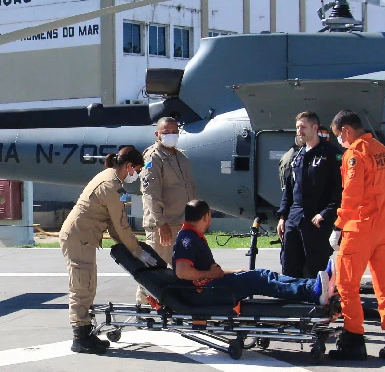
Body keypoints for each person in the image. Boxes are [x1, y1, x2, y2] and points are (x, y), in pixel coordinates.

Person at [328, 110, 385, 361]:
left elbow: (351, 194)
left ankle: (353, 340)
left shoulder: (355, 154)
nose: (340, 140)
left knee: (346, 285)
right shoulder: (381, 149)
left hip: (361, 227)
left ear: (346, 131)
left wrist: (338, 226)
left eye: (339, 135)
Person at [60, 146, 149, 354]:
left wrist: (131, 248)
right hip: (78, 237)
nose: (135, 175)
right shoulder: (110, 185)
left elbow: (113, 224)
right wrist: (137, 251)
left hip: (82, 237)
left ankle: (86, 332)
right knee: (82, 286)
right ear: (129, 166)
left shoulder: (111, 180)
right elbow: (120, 224)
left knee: (88, 284)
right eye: (136, 170)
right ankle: (80, 337)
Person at [174, 200, 335, 306]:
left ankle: (313, 286)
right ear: (207, 216)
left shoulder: (192, 236)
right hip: (207, 292)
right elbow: (182, 272)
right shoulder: (187, 239)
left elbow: (211, 272)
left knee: (262, 274)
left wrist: (232, 271)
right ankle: (311, 292)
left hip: (213, 286)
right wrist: (210, 273)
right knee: (259, 280)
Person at [138, 116, 198, 305]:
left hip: (182, 224)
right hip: (163, 226)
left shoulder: (181, 157)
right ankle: (143, 307)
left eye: (174, 132)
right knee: (153, 269)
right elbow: (150, 193)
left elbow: (189, 190)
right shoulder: (153, 157)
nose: (171, 136)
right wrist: (161, 223)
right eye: (166, 132)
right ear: (157, 134)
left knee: (182, 269)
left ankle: (177, 305)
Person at [276, 111, 342, 278]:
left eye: (303, 127)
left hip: (317, 219)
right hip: (295, 217)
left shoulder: (331, 154)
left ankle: (316, 299)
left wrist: (326, 213)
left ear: (314, 127)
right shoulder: (297, 155)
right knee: (289, 263)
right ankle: (293, 298)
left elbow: (339, 189)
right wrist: (283, 216)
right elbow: (289, 189)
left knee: (315, 266)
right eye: (297, 127)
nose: (299, 131)